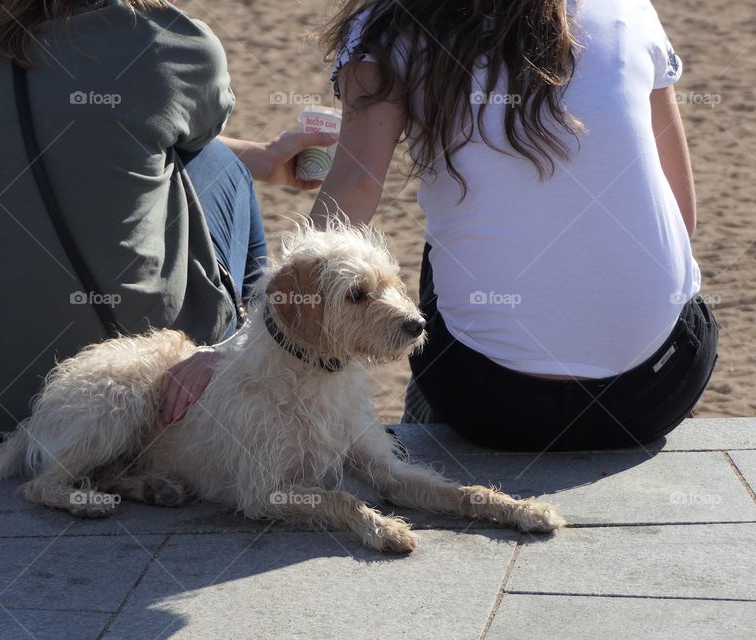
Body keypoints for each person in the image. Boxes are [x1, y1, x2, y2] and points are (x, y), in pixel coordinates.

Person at [170, 0, 718, 452]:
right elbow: (681, 215)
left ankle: (427, 430)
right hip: (655, 391)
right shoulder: (626, 9)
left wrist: (239, 345)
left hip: (492, 408)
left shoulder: (392, 28)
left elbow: (353, 194)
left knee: (445, 253)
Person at [0, 0, 333, 437]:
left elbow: (101, 130)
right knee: (228, 173)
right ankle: (242, 368)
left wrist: (263, 158)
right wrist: (251, 164)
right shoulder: (171, 40)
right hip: (127, 397)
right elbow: (185, 135)